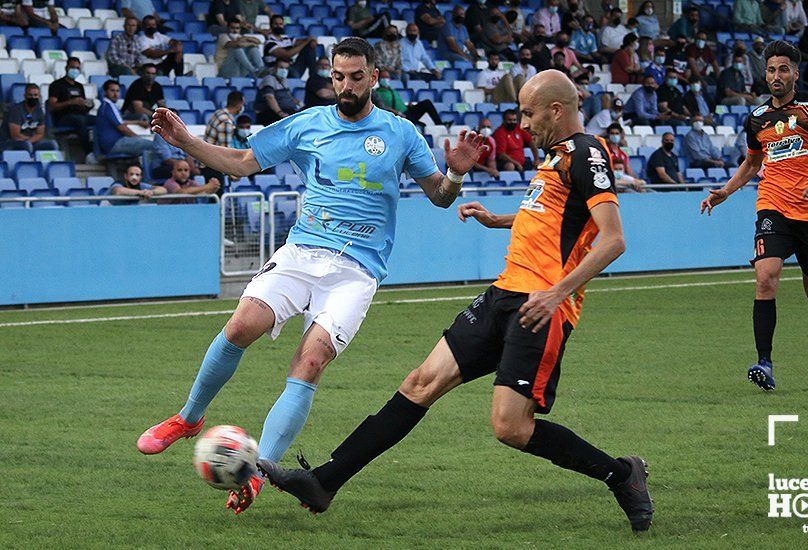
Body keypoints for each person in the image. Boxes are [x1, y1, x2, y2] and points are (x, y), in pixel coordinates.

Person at [257, 70, 654, 536]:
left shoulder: (587, 153)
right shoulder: (556, 158)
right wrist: (499, 219)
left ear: (556, 109)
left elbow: (612, 240)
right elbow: (553, 219)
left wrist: (558, 291)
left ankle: (622, 474)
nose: (523, 124)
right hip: (504, 295)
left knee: (511, 427)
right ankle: (323, 483)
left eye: (528, 113)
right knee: (420, 383)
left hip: (541, 307)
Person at [139, 37, 487, 515]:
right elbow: (242, 163)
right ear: (331, 75)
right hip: (302, 253)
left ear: (375, 77)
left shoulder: (401, 133)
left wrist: (455, 175)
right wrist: (185, 141)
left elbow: (440, 196)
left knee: (310, 362)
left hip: (356, 272)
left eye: (356, 76)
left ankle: (260, 471)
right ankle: (188, 418)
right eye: (339, 76)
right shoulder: (307, 125)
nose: (346, 85)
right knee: (241, 326)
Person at [700, 40, 808, 392]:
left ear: (795, 73)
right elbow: (753, 163)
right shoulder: (756, 118)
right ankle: (764, 363)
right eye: (771, 70)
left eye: (783, 69)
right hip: (773, 205)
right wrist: (726, 191)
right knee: (766, 276)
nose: (776, 76)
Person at [96, 80, 155, 158]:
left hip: (113, 143)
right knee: (154, 145)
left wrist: (137, 122)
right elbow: (122, 127)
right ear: (105, 92)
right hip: (114, 143)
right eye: (112, 91)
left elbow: (120, 122)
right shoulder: (108, 106)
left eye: (117, 91)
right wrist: (137, 137)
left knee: (147, 148)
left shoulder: (107, 105)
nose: (115, 94)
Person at [47, 58, 95, 151]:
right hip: (63, 117)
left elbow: (83, 104)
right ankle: (88, 152)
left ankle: (98, 149)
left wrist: (88, 105)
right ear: (66, 68)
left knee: (100, 119)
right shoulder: (56, 85)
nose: (75, 70)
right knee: (79, 120)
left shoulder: (79, 86)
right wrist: (70, 102)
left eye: (77, 68)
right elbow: (52, 107)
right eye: (72, 67)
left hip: (81, 115)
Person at [372, 69, 444, 128]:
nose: (386, 79)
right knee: (422, 126)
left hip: (406, 111)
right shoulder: (377, 93)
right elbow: (382, 107)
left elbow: (399, 104)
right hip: (398, 116)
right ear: (379, 79)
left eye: (387, 77)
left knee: (426, 103)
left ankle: (440, 125)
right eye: (383, 78)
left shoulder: (393, 90)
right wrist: (398, 113)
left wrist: (407, 106)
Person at [0, 84, 57, 152]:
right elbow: (15, 136)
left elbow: (40, 133)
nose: (33, 97)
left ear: (39, 96)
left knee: (52, 144)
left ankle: (49, 162)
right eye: (30, 95)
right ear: (25, 96)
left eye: (35, 95)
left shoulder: (39, 111)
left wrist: (30, 140)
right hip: (10, 143)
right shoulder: (16, 110)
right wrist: (30, 141)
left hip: (30, 141)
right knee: (27, 145)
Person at [149, 110, 198, 179]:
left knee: (200, 171)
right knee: (186, 173)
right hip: (162, 167)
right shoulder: (160, 135)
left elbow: (188, 155)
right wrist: (184, 167)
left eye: (175, 118)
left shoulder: (181, 134)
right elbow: (167, 160)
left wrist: (192, 168)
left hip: (181, 165)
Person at [254, 59, 301, 126]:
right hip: (271, 114)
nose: (284, 70)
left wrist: (300, 104)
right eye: (281, 68)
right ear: (274, 68)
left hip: (288, 112)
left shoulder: (283, 81)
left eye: (286, 68)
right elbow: (269, 98)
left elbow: (289, 97)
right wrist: (280, 112)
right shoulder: (269, 79)